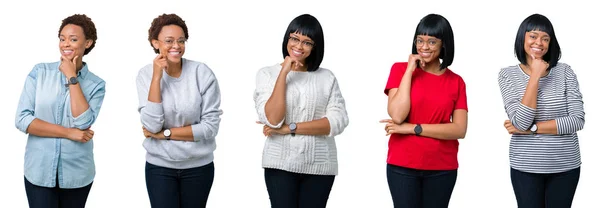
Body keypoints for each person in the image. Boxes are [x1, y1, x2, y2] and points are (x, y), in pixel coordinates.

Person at [253, 14, 349, 208]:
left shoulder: (327, 77)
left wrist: (290, 128)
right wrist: (284, 73)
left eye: (307, 42)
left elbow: (337, 121)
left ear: (315, 47)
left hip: (320, 166)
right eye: (294, 38)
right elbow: (273, 120)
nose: (299, 46)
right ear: (287, 39)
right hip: (279, 165)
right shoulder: (267, 74)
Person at [15, 14, 106, 208]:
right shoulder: (39, 73)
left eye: (73, 39)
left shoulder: (96, 84)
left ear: (88, 43)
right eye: (62, 38)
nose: (66, 44)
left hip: (77, 173)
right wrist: (68, 133)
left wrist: (72, 77)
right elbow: (23, 120)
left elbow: (83, 122)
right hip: (39, 171)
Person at [136, 13, 222, 208]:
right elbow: (151, 124)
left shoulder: (202, 73)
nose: (176, 46)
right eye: (169, 41)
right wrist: (157, 78)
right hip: (159, 167)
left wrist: (165, 134)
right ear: (155, 43)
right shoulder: (145, 75)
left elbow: (210, 128)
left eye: (181, 40)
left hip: (198, 167)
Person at [381, 13, 468, 208]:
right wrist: (409, 71)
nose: (424, 47)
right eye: (420, 40)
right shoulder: (399, 69)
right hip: (402, 165)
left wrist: (412, 128)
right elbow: (397, 115)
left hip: (442, 167)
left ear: (443, 44)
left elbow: (459, 130)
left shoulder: (456, 82)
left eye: (432, 42)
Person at [498, 13, 584, 208]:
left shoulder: (565, 72)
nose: (540, 42)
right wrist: (535, 75)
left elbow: (577, 120)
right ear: (523, 38)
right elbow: (520, 122)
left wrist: (532, 129)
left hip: (565, 165)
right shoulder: (507, 75)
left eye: (545, 38)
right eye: (534, 36)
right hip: (525, 166)